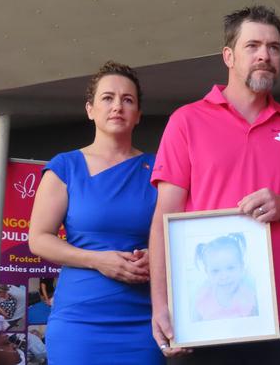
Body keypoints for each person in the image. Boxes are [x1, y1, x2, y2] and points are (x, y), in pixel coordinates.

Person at [149, 5, 280, 364]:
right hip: (199, 318)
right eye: (253, 45)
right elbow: (163, 219)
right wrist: (161, 304)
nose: (265, 55)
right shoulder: (186, 121)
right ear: (228, 55)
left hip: (273, 317)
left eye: (274, 47)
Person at [28, 60, 164, 364]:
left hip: (144, 322)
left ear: (138, 114)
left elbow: (177, 234)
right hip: (79, 322)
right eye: (108, 98)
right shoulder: (65, 166)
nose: (118, 106)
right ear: (90, 109)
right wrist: (98, 260)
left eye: (128, 100)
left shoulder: (160, 169)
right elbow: (38, 238)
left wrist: (157, 256)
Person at [192, 232, 258, 321]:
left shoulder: (247, 296)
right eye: (215, 271)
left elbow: (257, 325)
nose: (224, 276)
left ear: (241, 267)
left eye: (230, 268)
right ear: (207, 272)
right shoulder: (203, 297)